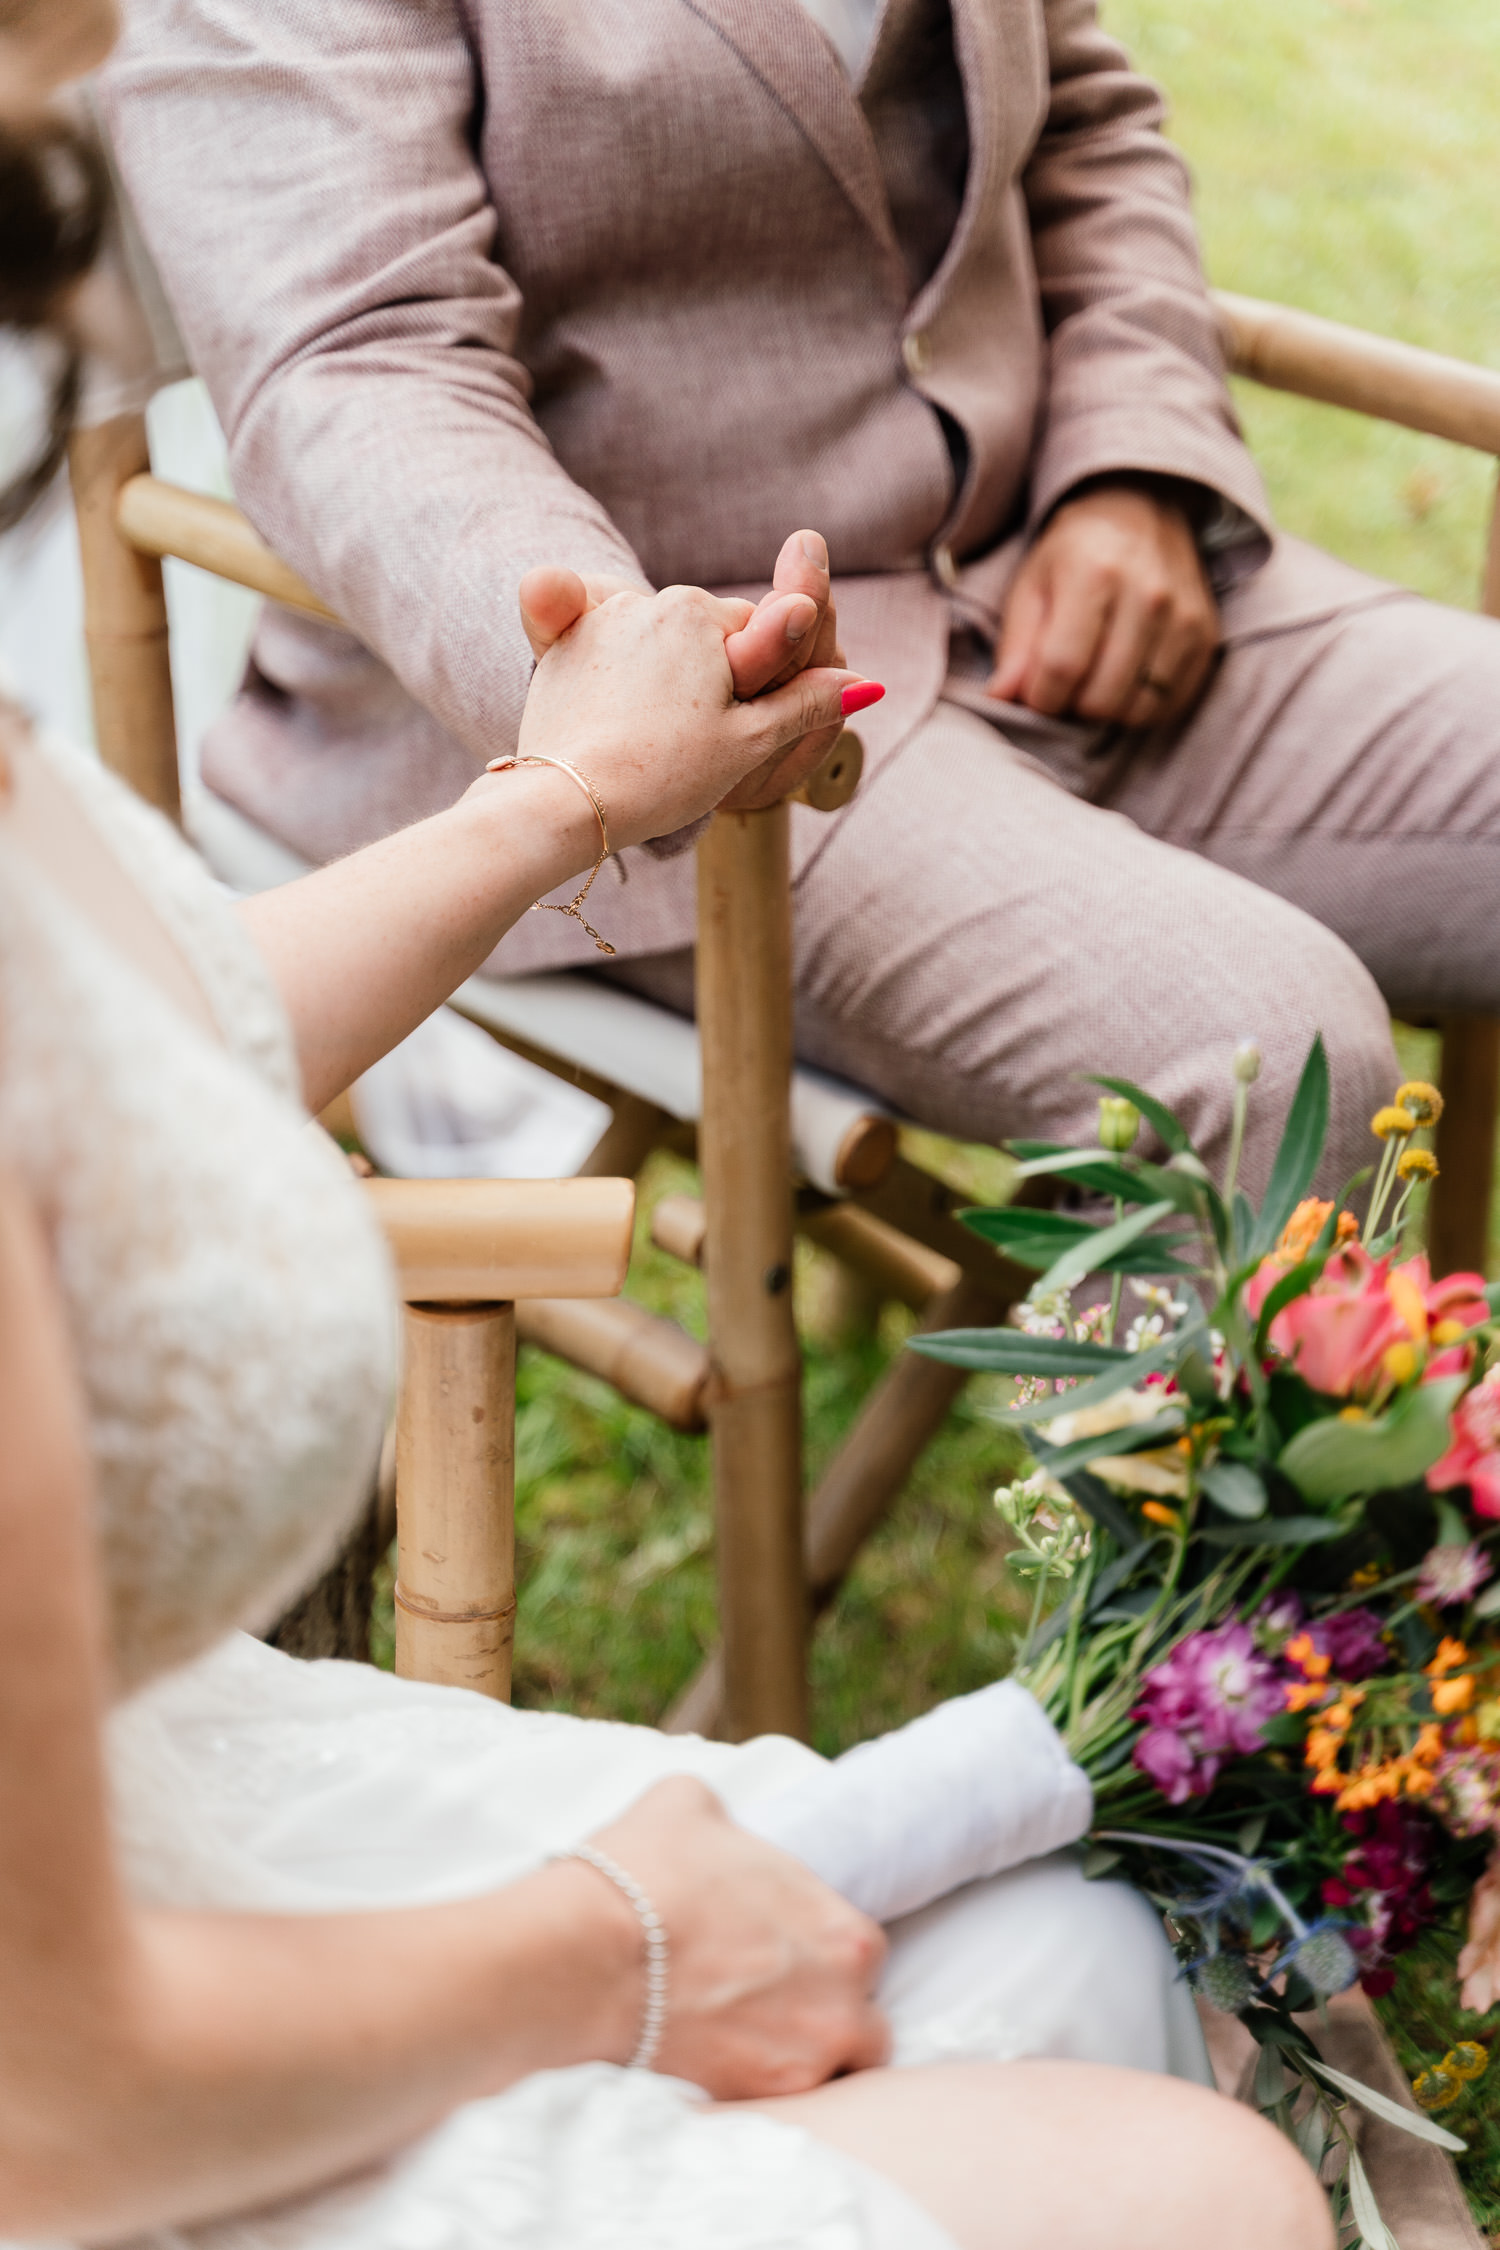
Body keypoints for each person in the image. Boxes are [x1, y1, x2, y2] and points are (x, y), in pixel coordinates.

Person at [0, 8, 1342, 2249]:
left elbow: (147, 1019)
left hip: (176, 1803)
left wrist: (570, 801)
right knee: (1195, 2182)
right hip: (92, 2049)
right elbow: (53, 2103)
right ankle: (1287, 1749)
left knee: (1087, 1952)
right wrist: (607, 1948)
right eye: (59, 129)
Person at [97, 0, 1500, 1205]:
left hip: (1046, 565)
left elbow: (1082, 115)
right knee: (1267, 1062)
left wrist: (1128, 464)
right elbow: (360, 359)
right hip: (696, 703)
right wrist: (605, 671)